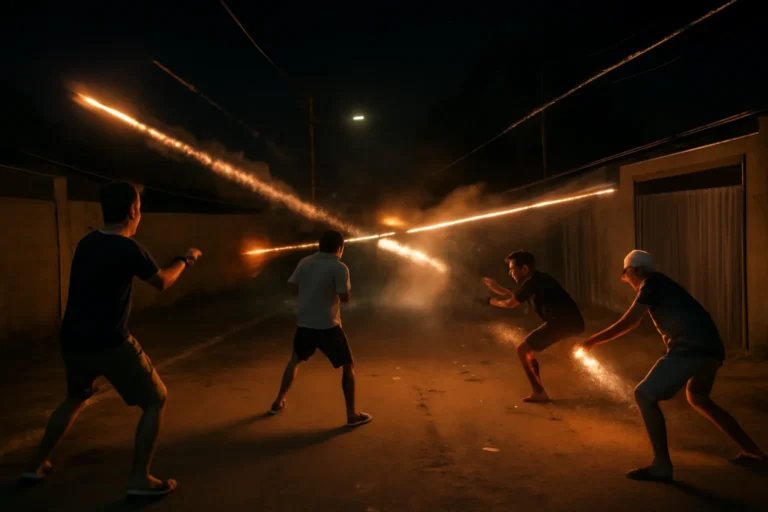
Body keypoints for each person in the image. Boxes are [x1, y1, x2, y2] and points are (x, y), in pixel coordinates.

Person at [21, 181, 202, 497]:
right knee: (156, 399)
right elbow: (162, 282)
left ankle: (36, 464)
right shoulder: (129, 248)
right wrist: (184, 260)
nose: (140, 213)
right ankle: (139, 478)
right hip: (110, 342)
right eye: (139, 207)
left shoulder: (87, 242)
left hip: (74, 339)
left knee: (75, 398)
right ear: (132, 210)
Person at [577, 250, 766, 482]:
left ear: (635, 270)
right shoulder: (664, 284)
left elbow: (630, 321)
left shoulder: (651, 283)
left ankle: (662, 465)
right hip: (712, 349)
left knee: (644, 395)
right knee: (698, 397)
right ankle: (756, 453)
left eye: (625, 274)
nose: (626, 280)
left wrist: (591, 340)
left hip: (689, 347)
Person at [269, 230, 372, 428]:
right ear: (340, 248)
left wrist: (310, 291)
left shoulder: (305, 262)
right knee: (348, 366)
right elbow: (345, 298)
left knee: (294, 361)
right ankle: (352, 415)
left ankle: (278, 402)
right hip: (328, 326)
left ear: (319, 245)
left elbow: (292, 286)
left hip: (305, 323)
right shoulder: (339, 267)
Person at [482, 250, 584, 402]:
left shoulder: (533, 282)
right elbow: (515, 296)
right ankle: (576, 384)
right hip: (569, 322)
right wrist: (497, 288)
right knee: (563, 355)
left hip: (561, 323)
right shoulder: (536, 280)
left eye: (512, 269)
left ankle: (539, 392)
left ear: (524, 269)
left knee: (523, 349)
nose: (510, 273)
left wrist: (490, 301)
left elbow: (511, 303)